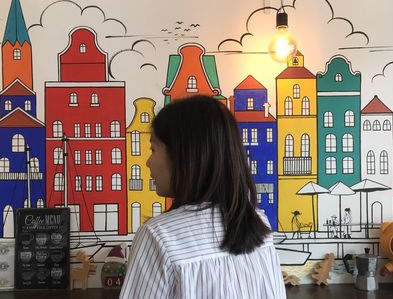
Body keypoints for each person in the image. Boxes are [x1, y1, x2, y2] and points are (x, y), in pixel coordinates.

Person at [119, 95, 286, 299]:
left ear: (184, 154)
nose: (148, 162)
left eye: (153, 148)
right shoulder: (258, 223)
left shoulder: (158, 236)